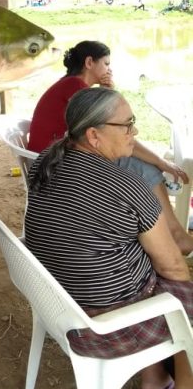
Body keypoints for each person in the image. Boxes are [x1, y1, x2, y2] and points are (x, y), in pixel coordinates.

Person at [25, 88, 193, 389]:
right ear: (94, 135)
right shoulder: (128, 187)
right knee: (182, 292)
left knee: (131, 267)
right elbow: (173, 268)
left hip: (60, 305)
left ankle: (155, 381)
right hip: (105, 327)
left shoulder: (44, 162)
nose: (135, 132)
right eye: (127, 125)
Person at [27, 42, 192, 255]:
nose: (109, 69)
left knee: (137, 161)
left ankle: (169, 232)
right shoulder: (76, 88)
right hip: (60, 161)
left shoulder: (72, 86)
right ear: (89, 62)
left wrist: (107, 93)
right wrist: (161, 162)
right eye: (106, 64)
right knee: (142, 166)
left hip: (52, 157)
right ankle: (174, 234)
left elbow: (109, 126)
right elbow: (115, 132)